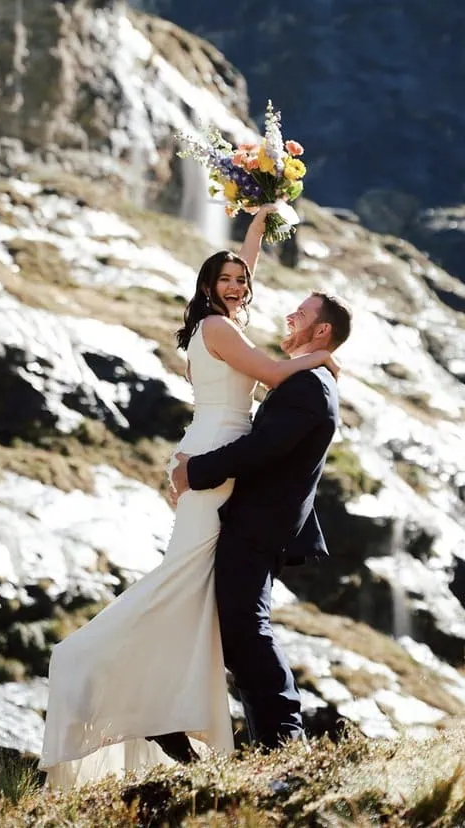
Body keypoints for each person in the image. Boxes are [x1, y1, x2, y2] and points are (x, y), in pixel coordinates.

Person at [39, 201, 341, 786]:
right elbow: (277, 374)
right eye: (224, 280)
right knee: (185, 579)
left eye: (241, 280)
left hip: (215, 449)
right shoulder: (217, 328)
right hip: (216, 458)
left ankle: (158, 706)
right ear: (206, 288)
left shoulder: (223, 322)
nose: (236, 285)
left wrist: (256, 228)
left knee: (197, 587)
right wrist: (325, 356)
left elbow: (243, 274)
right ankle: (101, 674)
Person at [170, 288, 350, 751]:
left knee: (247, 632)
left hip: (259, 524)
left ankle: (284, 742)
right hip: (259, 520)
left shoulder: (310, 385)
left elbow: (261, 449)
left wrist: (196, 471)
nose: (290, 316)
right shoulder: (309, 380)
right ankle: (273, 741)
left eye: (303, 314)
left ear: (322, 330)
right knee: (240, 632)